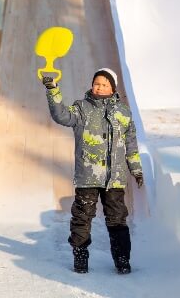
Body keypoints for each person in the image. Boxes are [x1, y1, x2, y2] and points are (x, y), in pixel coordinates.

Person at [42, 68, 143, 274]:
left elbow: (131, 143)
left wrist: (136, 169)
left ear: (112, 88)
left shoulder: (123, 112)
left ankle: (122, 259)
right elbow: (62, 116)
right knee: (82, 217)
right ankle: (80, 257)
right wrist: (53, 91)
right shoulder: (81, 108)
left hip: (114, 178)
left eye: (105, 84)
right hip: (87, 176)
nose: (100, 87)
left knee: (117, 219)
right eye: (97, 83)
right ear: (92, 85)